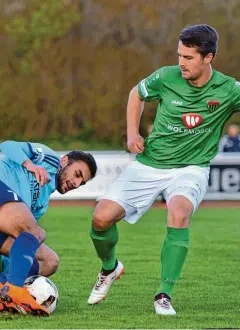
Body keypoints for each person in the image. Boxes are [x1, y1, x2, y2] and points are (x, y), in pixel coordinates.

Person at [87, 24, 240, 316]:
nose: (181, 62)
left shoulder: (229, 90)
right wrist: (132, 133)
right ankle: (110, 268)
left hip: (191, 168)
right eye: (179, 55)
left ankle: (163, 295)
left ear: (208, 58)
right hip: (149, 163)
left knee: (179, 213)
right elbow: (136, 93)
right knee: (100, 220)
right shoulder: (166, 76)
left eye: (189, 57)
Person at [0, 141, 97, 316]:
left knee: (49, 261)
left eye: (81, 182)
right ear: (65, 161)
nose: (76, 184)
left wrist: (4, 274)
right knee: (36, 232)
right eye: (77, 174)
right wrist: (29, 165)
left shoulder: (41, 204)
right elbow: (7, 145)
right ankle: (14, 289)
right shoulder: (50, 159)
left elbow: (21, 243)